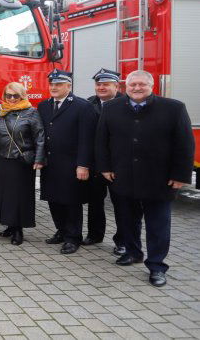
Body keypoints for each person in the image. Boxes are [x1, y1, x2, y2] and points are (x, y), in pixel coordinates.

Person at [96, 70, 194, 287]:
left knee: (158, 225)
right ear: (126, 87)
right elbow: (102, 140)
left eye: (142, 84)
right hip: (123, 176)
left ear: (151, 86)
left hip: (159, 179)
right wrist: (104, 167)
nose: (137, 88)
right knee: (127, 221)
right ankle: (133, 252)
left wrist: (180, 175)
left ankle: (157, 266)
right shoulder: (112, 108)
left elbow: (185, 144)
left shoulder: (173, 108)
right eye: (133, 85)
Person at [37, 69, 96, 255]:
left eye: (59, 84)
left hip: (72, 164)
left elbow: (87, 139)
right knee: (54, 199)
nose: (54, 87)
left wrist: (83, 164)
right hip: (51, 163)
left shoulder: (82, 106)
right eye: (52, 84)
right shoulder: (44, 106)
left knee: (71, 202)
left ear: (68, 86)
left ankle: (73, 238)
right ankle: (61, 231)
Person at [0, 82, 45, 245]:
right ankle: (9, 225)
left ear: (22, 96)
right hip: (2, 159)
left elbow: (39, 137)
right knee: (4, 194)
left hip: (21, 162)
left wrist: (39, 159)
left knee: (19, 196)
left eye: (15, 96)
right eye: (8, 95)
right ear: (4, 96)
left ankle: (18, 229)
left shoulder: (31, 112)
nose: (12, 99)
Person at [84, 68, 125, 252]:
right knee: (94, 202)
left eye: (105, 84)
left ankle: (123, 241)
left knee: (122, 206)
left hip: (117, 165)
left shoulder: (126, 104)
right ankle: (95, 234)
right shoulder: (88, 104)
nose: (101, 87)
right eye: (98, 84)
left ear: (116, 86)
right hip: (95, 164)